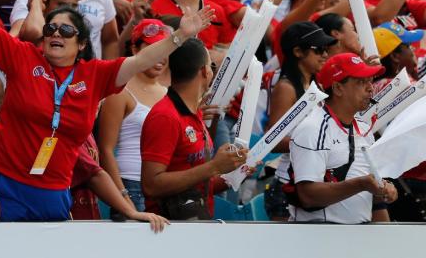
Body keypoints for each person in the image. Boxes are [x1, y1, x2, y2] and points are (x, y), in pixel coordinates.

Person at [0, 0, 213, 221]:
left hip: (55, 191)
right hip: (4, 183)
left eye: (66, 30)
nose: (56, 34)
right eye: (51, 28)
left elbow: (143, 59)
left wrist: (181, 35)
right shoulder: (24, 56)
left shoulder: (95, 74)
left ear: (82, 44)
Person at [140, 37, 249, 219]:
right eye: (211, 66)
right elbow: (151, 185)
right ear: (204, 71)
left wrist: (234, 172)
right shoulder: (165, 117)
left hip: (194, 225)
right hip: (168, 232)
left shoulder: (196, 113)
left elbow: (196, 183)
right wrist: (214, 166)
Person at [289, 53, 397, 223]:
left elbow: (376, 202)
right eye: (361, 82)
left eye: (370, 81)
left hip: (357, 237)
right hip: (320, 239)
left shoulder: (363, 127)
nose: (370, 88)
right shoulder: (312, 129)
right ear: (338, 88)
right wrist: (361, 184)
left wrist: (383, 191)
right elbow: (308, 195)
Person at [98, 19, 169, 214]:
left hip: (163, 188)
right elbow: (105, 149)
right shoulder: (120, 91)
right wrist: (122, 195)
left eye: (164, 49)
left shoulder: (168, 92)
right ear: (135, 49)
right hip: (131, 185)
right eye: (153, 47)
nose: (160, 56)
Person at [263, 21, 333, 220]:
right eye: (319, 49)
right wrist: (317, 144)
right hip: (287, 187)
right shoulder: (286, 88)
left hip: (308, 180)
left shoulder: (314, 84)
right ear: (297, 51)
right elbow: (273, 141)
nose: (325, 55)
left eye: (326, 49)